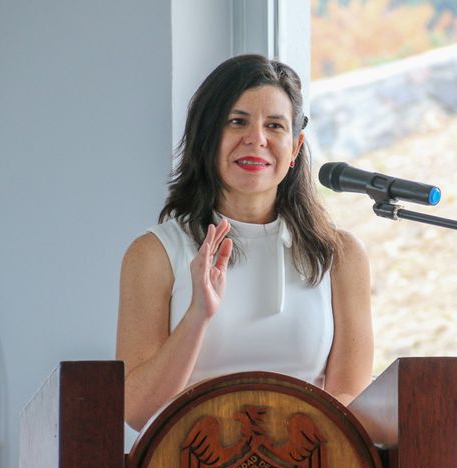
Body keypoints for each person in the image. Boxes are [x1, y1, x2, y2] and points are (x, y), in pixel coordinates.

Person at [116, 54, 373, 431]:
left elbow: (350, 402)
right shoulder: (153, 254)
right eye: (237, 122)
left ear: (295, 147)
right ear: (207, 137)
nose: (257, 139)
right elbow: (137, 411)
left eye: (275, 126)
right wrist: (197, 316)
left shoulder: (340, 256)